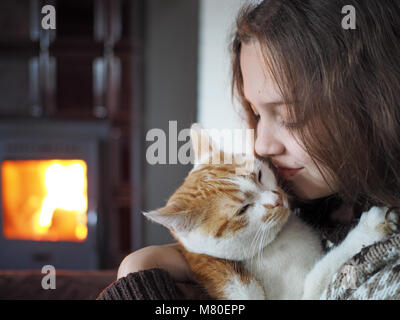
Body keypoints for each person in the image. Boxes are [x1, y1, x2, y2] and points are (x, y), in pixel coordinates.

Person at [98, 0, 400, 300]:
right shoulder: (309, 206)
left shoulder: (388, 277)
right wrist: (152, 265)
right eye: (255, 114)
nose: (261, 145)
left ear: (371, 100)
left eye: (290, 116)